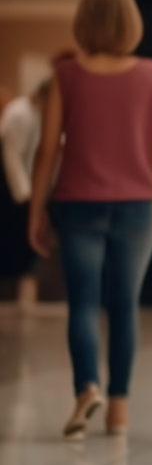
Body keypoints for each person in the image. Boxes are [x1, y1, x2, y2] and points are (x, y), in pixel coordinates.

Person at [27, 0, 152, 439]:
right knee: (124, 307)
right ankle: (119, 409)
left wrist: (36, 209)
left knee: (82, 304)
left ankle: (87, 387)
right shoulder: (150, 74)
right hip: (137, 206)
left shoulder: (66, 75)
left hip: (77, 204)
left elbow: (47, 150)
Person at [1, 74, 54, 310]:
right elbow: (11, 157)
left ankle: (24, 298)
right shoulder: (19, 114)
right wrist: (26, 196)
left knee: (27, 249)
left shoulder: (38, 115)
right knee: (14, 245)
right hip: (13, 191)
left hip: (29, 190)